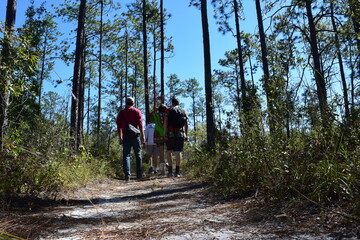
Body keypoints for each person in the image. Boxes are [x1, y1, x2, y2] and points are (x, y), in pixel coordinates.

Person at [116, 97, 145, 181]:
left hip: (126, 136)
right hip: (135, 136)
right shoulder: (137, 111)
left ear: (126, 103)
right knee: (138, 154)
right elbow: (140, 126)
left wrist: (120, 138)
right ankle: (139, 175)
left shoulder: (121, 113)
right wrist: (143, 137)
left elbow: (119, 127)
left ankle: (127, 176)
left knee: (126, 155)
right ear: (133, 103)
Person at [164, 97, 188, 177]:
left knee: (169, 151)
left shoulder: (168, 110)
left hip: (170, 133)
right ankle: (177, 172)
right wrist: (186, 135)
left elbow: (165, 122)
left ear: (172, 103)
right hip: (180, 133)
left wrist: (165, 134)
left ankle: (170, 172)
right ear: (178, 103)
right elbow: (186, 124)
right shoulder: (183, 111)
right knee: (178, 152)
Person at [152, 104, 168, 175]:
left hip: (158, 135)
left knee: (161, 152)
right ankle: (167, 166)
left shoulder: (155, 115)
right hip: (167, 134)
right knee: (169, 151)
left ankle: (163, 170)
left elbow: (149, 117)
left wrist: (155, 110)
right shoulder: (167, 115)